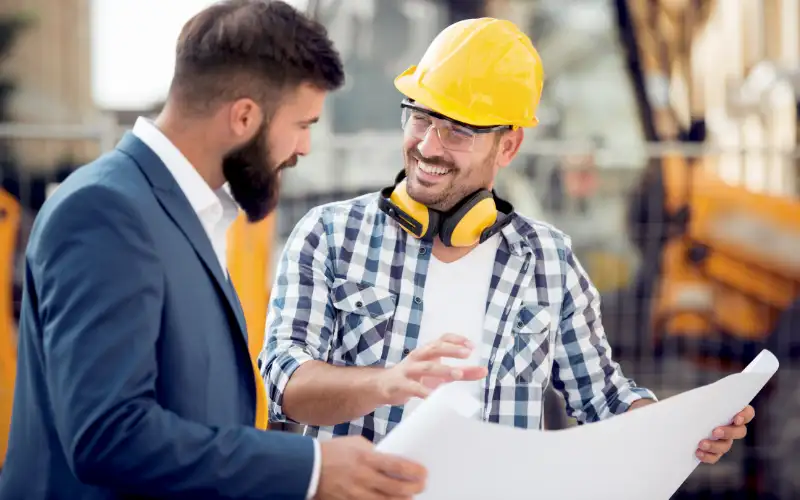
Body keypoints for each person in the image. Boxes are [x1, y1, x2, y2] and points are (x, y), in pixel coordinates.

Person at [261, 17, 754, 465]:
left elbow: (602, 397)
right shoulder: (328, 235)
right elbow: (286, 383)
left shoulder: (548, 261)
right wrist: (386, 384)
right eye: (421, 117)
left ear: (509, 145)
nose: (429, 146)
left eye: (458, 131)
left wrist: (681, 428)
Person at [0, 1, 427, 499]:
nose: (304, 147)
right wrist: (308, 468)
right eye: (304, 123)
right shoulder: (104, 212)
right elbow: (108, 433)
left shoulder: (186, 212)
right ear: (245, 116)